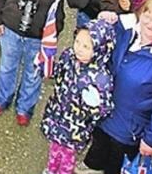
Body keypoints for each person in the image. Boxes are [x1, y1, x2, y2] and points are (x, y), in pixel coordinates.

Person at [83, 0, 152, 174]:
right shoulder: (125, 31)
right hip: (102, 118)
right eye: (147, 15)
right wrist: (105, 19)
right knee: (96, 153)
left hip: (128, 133)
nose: (150, 24)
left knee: (114, 167)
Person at [40, 20, 116, 174]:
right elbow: (58, 72)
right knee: (54, 149)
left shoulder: (101, 78)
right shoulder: (69, 55)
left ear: (100, 49)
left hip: (75, 128)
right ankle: (51, 169)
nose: (79, 49)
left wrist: (94, 106)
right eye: (77, 42)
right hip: (57, 114)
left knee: (67, 158)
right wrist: (47, 66)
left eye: (86, 46)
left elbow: (104, 111)